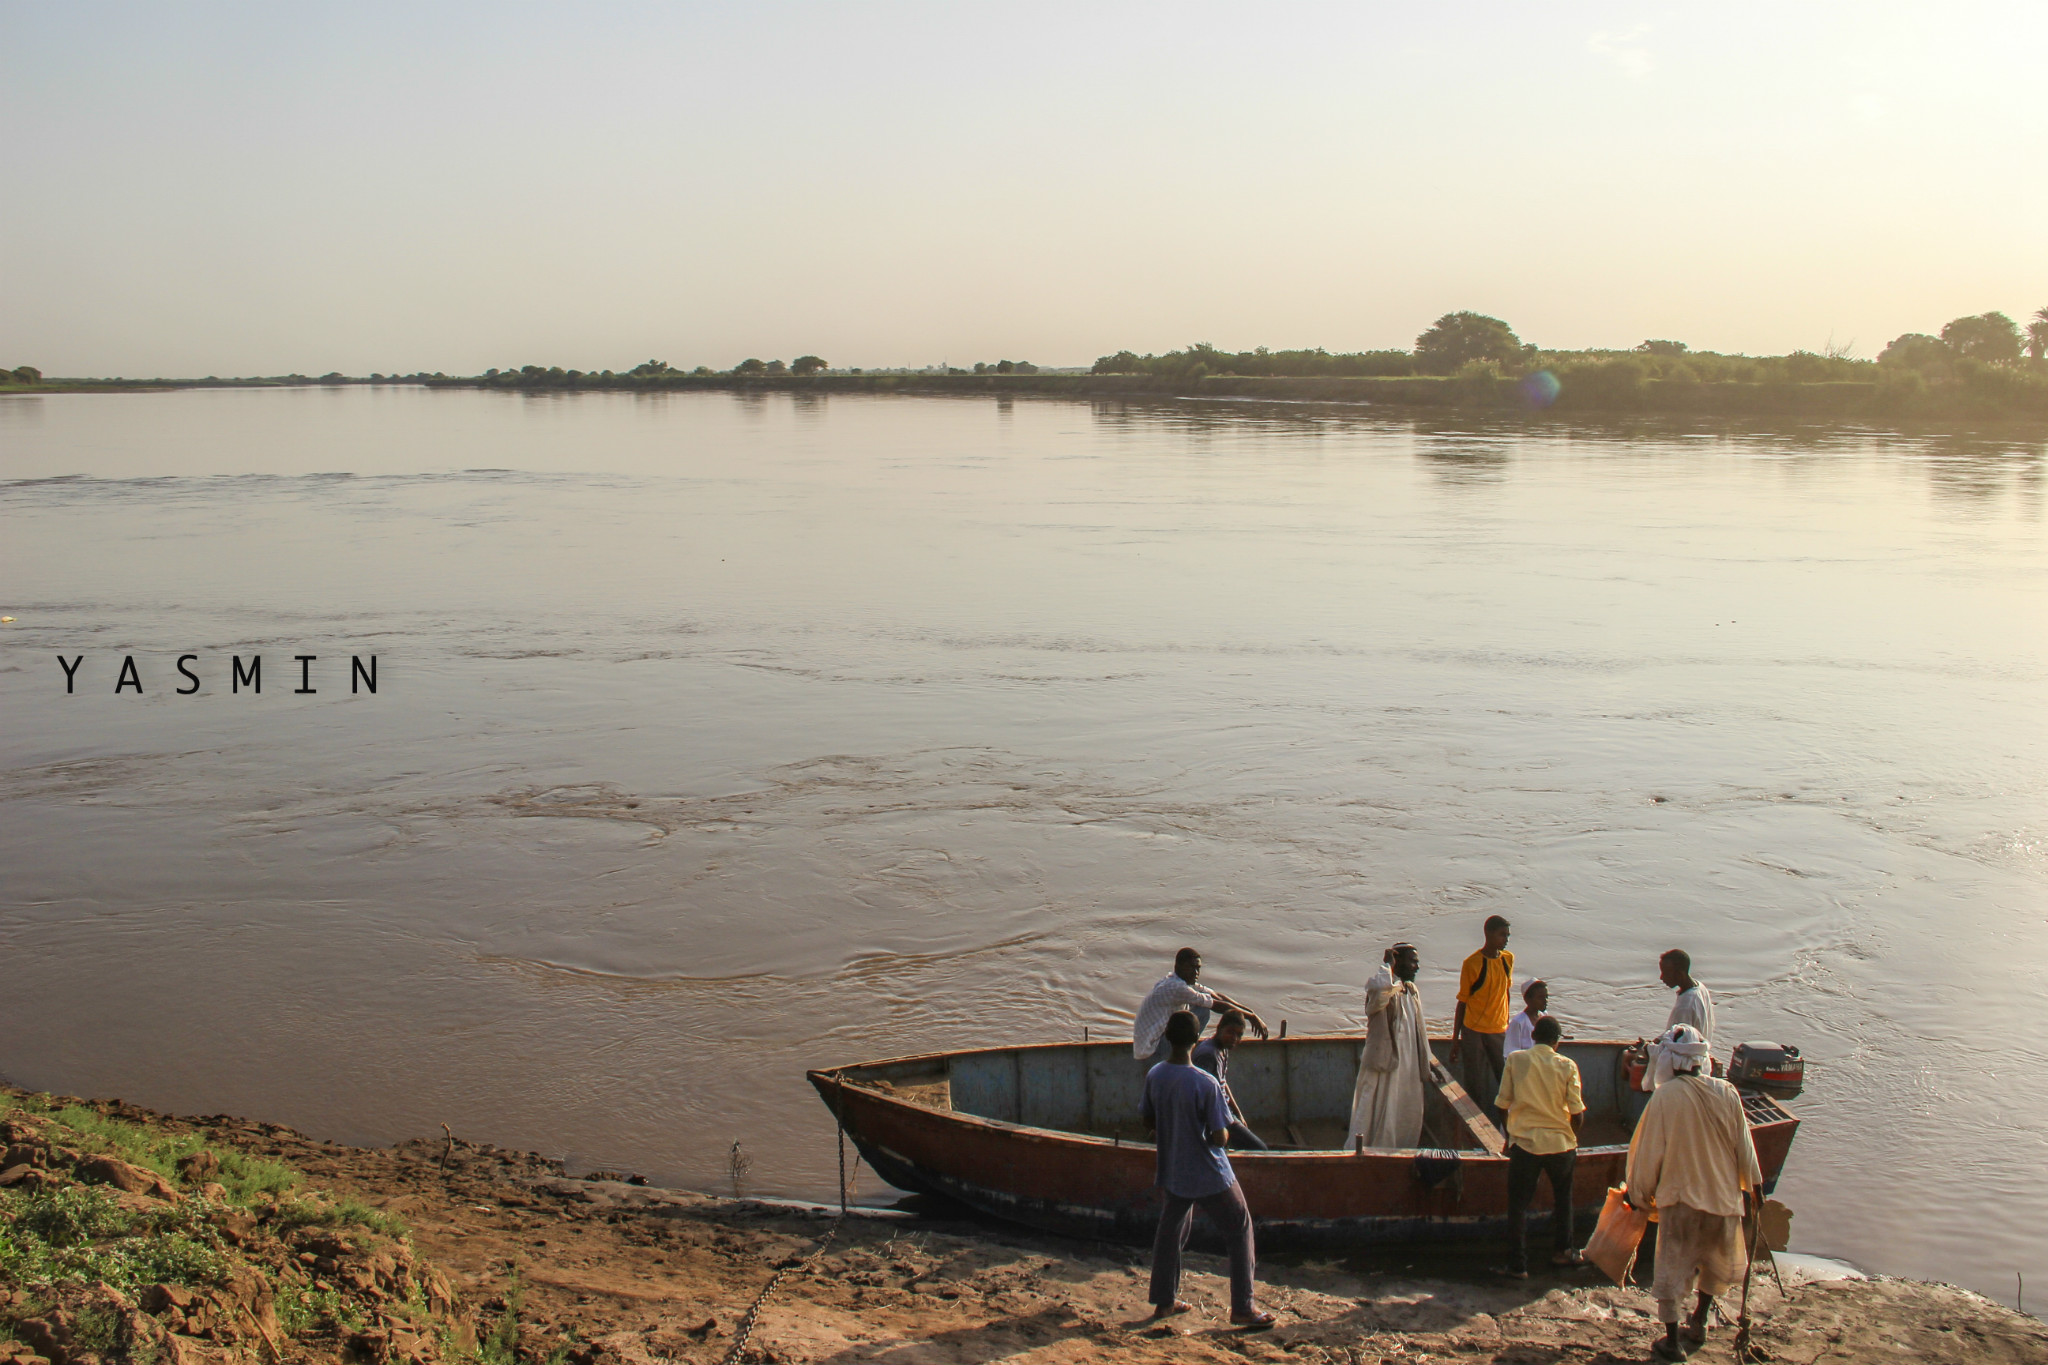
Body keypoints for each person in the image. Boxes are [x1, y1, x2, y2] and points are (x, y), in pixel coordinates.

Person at [1625, 1024, 1763, 1361]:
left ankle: (1672, 1342)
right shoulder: (1727, 1091)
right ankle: (1699, 1321)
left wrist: (1638, 1194)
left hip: (1682, 1200)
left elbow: (1647, 1153)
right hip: (1723, 1200)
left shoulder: (1666, 1096)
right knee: (1713, 1266)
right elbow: (1744, 1147)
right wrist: (1755, 1188)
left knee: (1672, 1271)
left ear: (1670, 1063)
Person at [1140, 1010, 1275, 1329]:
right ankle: (1242, 1307)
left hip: (1173, 1167)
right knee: (1240, 1227)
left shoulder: (1155, 1074)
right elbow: (1219, 1136)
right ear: (1196, 1039)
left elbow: (1148, 1121)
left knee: (1170, 1232)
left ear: (1167, 1038)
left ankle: (1164, 1302)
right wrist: (1224, 1133)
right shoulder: (1206, 1082)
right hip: (1210, 1171)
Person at [1492, 1016, 1585, 1278]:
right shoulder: (1568, 1065)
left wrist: (1510, 1136)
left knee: (1518, 1205)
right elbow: (1577, 1115)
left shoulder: (1516, 1060)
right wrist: (1570, 1138)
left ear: (1533, 1036)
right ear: (1557, 1042)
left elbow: (1501, 1106)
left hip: (1525, 1143)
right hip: (1561, 1144)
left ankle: (1517, 1265)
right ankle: (1562, 1251)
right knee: (1563, 1199)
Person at [1345, 942, 1430, 1149]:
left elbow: (1420, 1030)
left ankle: (1400, 1150)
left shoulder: (1410, 990)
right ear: (1397, 962)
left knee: (1403, 1110)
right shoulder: (1383, 991)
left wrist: (1426, 1060)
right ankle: (1368, 1150)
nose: (1417, 967)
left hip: (1407, 1065)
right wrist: (1386, 965)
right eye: (1412, 962)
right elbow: (1380, 987)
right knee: (1375, 1111)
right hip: (1385, 1063)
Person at [1133, 947, 1268, 1067]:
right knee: (1203, 1009)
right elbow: (1215, 1005)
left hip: (1151, 1045)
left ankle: (1186, 1050)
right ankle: (1186, 1052)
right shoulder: (1176, 987)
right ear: (1178, 966)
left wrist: (1251, 1012)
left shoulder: (1178, 981)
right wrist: (1250, 1017)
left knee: (1202, 1003)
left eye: (1198, 968)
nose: (1196, 972)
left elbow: (1216, 996)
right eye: (1192, 967)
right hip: (1152, 1051)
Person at [1450, 915, 1514, 1123]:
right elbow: (1463, 1002)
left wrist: (1506, 1022)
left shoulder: (1507, 960)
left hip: (1498, 1030)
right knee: (1474, 1082)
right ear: (1488, 934)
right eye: (1502, 934)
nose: (1506, 939)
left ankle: (1508, 1123)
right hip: (1474, 1030)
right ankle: (1476, 1127)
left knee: (1504, 1079)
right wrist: (1455, 1040)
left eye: (1507, 935)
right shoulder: (1472, 963)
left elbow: (1506, 992)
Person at [1637, 950, 1716, 1090]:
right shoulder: (1699, 987)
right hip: (1700, 1060)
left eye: (1665, 973)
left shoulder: (1685, 1006)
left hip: (1684, 1072)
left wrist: (1647, 1048)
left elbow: (1675, 1046)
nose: (1661, 978)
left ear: (1679, 974)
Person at [1192, 1011, 1267, 1150]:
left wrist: (1238, 1114)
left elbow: (1222, 1083)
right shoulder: (1208, 1055)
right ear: (1219, 1028)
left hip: (1225, 1112)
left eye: (1239, 1035)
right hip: (1218, 1116)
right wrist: (1218, 1129)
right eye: (1230, 1032)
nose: (1234, 1038)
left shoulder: (1223, 1048)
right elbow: (1203, 1097)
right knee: (1261, 1150)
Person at [1504, 979, 1548, 1057]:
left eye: (1546, 997)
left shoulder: (1544, 1017)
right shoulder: (1518, 1022)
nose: (1545, 1001)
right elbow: (1510, 1053)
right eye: (1540, 997)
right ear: (1527, 1000)